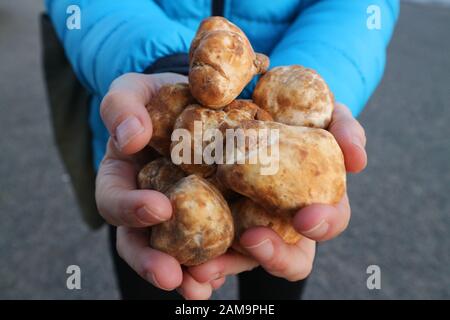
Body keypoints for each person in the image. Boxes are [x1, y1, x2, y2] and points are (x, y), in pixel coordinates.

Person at [44, 0, 399, 300]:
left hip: (286, 167)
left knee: (273, 280)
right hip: (144, 141)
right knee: (150, 263)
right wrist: (164, 67)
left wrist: (318, 88)